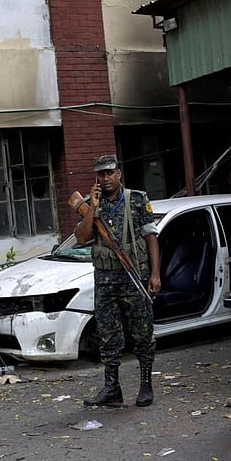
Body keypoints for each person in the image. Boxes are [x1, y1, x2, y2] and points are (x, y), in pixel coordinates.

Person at [75, 154, 161, 407]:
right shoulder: (92, 203)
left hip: (134, 275)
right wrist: (92, 207)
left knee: (142, 333)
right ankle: (112, 389)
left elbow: (151, 237)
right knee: (108, 335)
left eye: (110, 173)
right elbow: (81, 238)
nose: (106, 178)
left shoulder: (137, 200)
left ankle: (146, 385)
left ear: (118, 173)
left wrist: (155, 274)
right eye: (101, 174)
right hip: (105, 279)